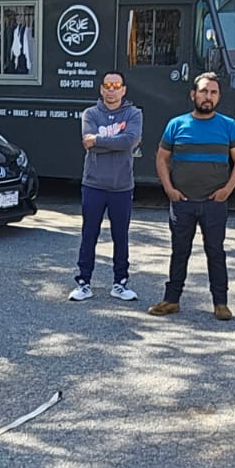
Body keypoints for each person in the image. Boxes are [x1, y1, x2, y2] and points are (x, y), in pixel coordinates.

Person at [147, 73, 235, 320]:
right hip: (182, 203)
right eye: (203, 91)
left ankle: (221, 304)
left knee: (216, 252)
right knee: (179, 252)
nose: (208, 97)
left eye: (213, 92)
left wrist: (227, 190)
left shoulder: (228, 125)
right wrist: (169, 189)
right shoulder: (176, 124)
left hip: (214, 204)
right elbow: (162, 158)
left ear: (218, 97)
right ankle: (171, 300)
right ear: (193, 94)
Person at [68, 70, 142, 303]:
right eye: (107, 86)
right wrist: (113, 143)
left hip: (122, 186)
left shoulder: (134, 113)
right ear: (101, 89)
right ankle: (83, 283)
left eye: (116, 86)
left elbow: (129, 141)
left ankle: (120, 283)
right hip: (93, 185)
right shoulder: (90, 113)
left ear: (123, 90)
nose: (111, 90)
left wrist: (98, 141)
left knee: (121, 236)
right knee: (89, 234)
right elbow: (86, 142)